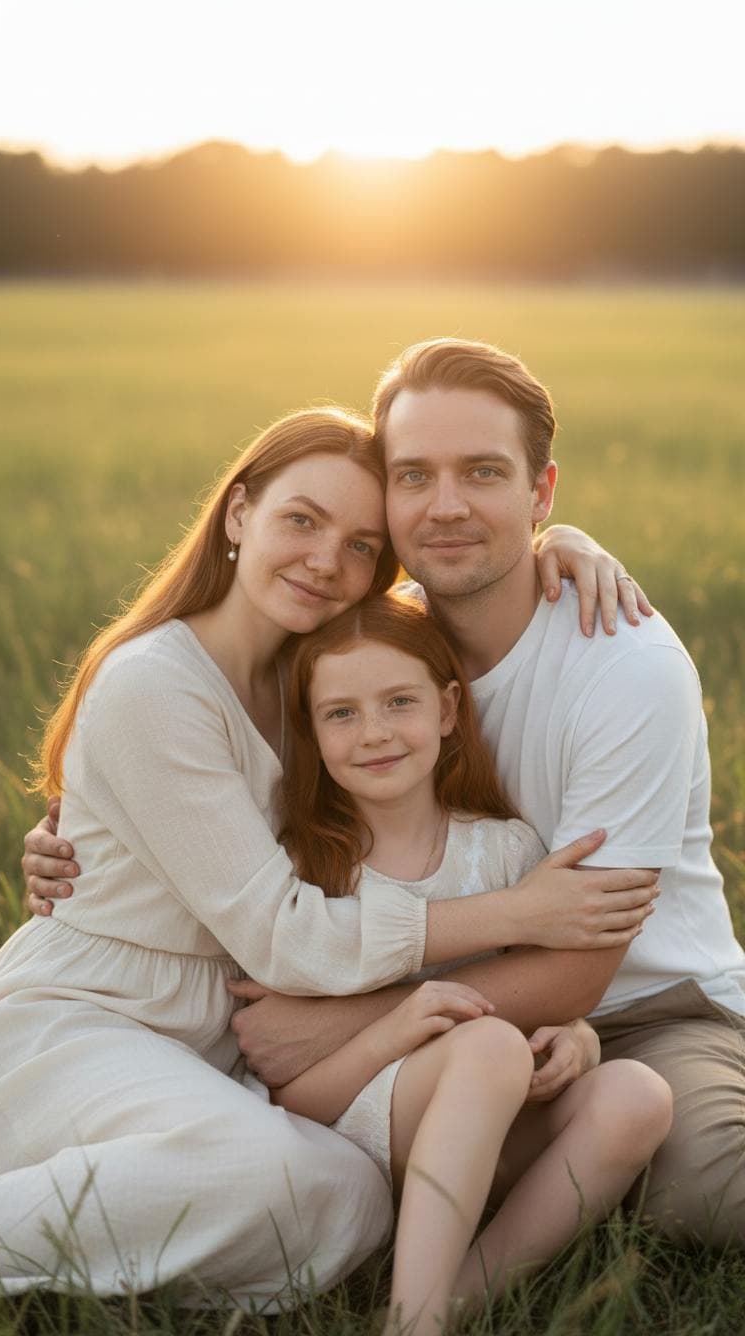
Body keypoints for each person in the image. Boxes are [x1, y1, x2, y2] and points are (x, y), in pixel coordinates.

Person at [0, 406, 658, 1304]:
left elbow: (448, 609)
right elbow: (280, 936)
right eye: (301, 520)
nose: (325, 562)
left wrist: (562, 541)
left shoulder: (321, 677)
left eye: (361, 546)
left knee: (344, 1195)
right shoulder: (155, 682)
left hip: (229, 1040)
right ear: (237, 515)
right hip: (100, 1014)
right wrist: (514, 912)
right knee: (285, 1182)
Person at [221, 338, 745, 1250]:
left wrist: (349, 1025)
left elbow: (584, 963)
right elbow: (210, 750)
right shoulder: (371, 645)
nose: (447, 505)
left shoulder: (624, 666)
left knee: (703, 1198)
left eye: (484, 473)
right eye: (413, 474)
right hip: (448, 1014)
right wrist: (85, 832)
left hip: (638, 1010)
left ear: (541, 495)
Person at [272, 593, 672, 1336]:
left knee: (639, 1094)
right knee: (487, 1043)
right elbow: (288, 1102)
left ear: (450, 709)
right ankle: (413, 1323)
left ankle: (457, 1301)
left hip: (489, 1114)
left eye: (400, 701)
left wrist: (577, 1034)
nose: (376, 734)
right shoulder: (302, 870)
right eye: (341, 713)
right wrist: (396, 1031)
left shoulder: (505, 851)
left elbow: (545, 998)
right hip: (358, 1125)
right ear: (311, 731)